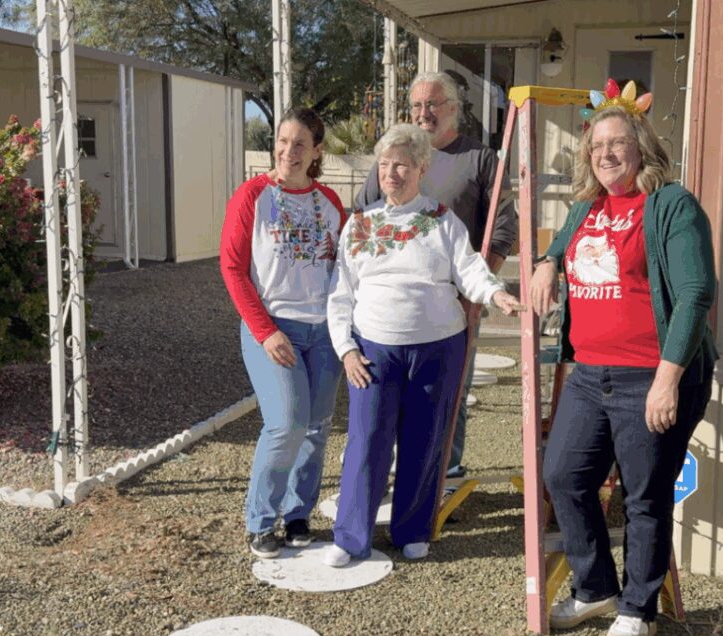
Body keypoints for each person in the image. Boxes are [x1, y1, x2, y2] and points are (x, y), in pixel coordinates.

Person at [529, 81, 717, 636]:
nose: (605, 153)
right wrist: (545, 263)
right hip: (588, 374)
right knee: (563, 476)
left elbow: (694, 294)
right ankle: (596, 588)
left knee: (643, 495)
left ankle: (640, 607)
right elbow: (558, 245)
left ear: (641, 147)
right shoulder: (586, 207)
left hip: (648, 375)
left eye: (616, 142)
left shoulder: (670, 205)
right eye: (595, 146)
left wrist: (667, 380)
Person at [322, 123, 522, 567]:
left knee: (425, 439)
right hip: (374, 349)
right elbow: (340, 293)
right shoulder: (360, 225)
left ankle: (412, 529)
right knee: (367, 440)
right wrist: (346, 350)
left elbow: (468, 269)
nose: (393, 173)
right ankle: (351, 535)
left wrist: (494, 293)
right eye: (387, 164)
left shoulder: (441, 219)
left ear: (421, 169)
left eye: (403, 165)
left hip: (438, 347)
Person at [354, 71, 518, 482]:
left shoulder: (480, 159)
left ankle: (448, 471)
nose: (423, 113)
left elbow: (502, 231)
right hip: (394, 307)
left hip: (454, 303)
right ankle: (398, 472)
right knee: (389, 391)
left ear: (452, 109)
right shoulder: (392, 159)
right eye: (416, 106)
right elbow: (361, 221)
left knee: (452, 389)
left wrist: (475, 293)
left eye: (432, 104)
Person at [219, 108, 346, 560]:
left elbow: (347, 268)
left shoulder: (330, 203)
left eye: (299, 144)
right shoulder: (253, 196)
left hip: (325, 332)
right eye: (282, 141)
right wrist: (264, 330)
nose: (288, 151)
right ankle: (259, 520)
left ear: (316, 151)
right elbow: (233, 269)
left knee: (317, 427)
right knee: (287, 423)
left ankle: (297, 514)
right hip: (273, 329)